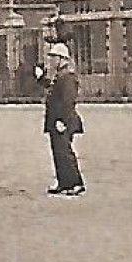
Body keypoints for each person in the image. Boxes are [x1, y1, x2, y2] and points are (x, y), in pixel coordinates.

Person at [36, 41, 85, 196]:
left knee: (65, 152)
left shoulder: (68, 76)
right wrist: (41, 77)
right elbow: (51, 88)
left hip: (63, 121)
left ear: (62, 58)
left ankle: (76, 183)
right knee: (57, 152)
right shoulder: (60, 75)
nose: (52, 61)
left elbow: (67, 100)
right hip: (55, 121)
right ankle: (63, 182)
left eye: (54, 57)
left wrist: (62, 120)